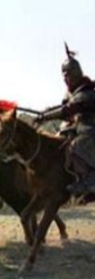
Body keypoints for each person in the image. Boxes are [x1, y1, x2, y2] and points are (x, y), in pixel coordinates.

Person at [35, 43, 95, 195]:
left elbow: (67, 110)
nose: (65, 79)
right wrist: (45, 112)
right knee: (58, 144)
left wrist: (44, 117)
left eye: (67, 75)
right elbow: (61, 106)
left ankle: (89, 179)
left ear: (75, 74)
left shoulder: (87, 92)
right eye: (64, 75)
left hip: (89, 128)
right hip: (74, 128)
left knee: (76, 145)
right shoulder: (71, 93)